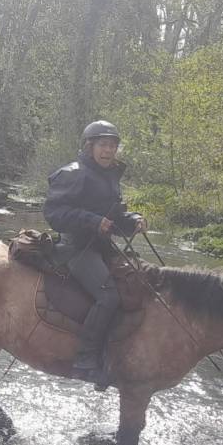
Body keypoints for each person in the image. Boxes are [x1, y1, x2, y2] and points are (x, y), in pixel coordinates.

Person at [43, 120, 147, 384]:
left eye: (112, 146)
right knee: (109, 295)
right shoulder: (74, 173)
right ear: (90, 147)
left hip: (101, 246)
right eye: (103, 145)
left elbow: (114, 217)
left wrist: (133, 221)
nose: (108, 151)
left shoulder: (110, 176)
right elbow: (53, 214)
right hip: (75, 247)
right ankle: (85, 359)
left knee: (139, 282)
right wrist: (91, 221)